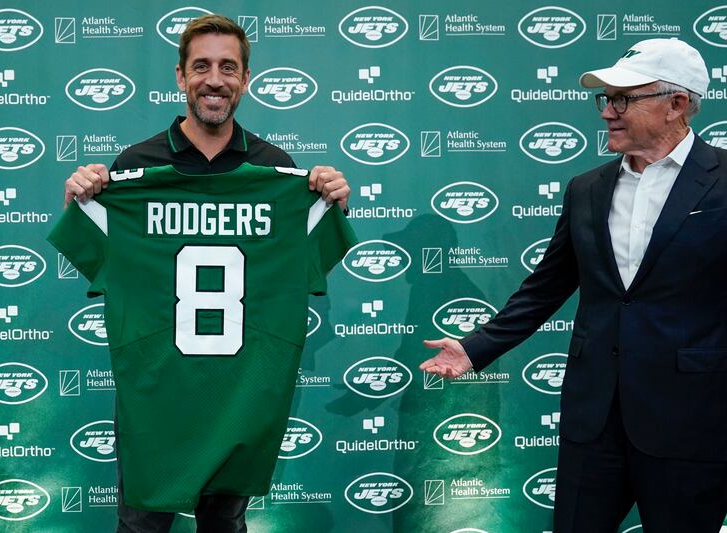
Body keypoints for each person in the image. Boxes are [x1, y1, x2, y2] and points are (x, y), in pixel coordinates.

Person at [56, 15, 353, 533]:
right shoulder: (135, 167)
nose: (214, 79)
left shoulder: (279, 172)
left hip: (240, 400)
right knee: (141, 527)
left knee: (224, 527)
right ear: (180, 76)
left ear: (245, 79)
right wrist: (79, 200)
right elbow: (94, 243)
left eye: (228, 67)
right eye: (201, 66)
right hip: (155, 399)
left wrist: (331, 202)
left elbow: (307, 250)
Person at [420, 38, 727, 532]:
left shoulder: (723, 181)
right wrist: (475, 348)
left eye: (623, 99)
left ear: (676, 104)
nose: (606, 112)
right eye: (605, 98)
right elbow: (547, 285)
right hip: (594, 416)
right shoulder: (586, 188)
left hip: (691, 417)